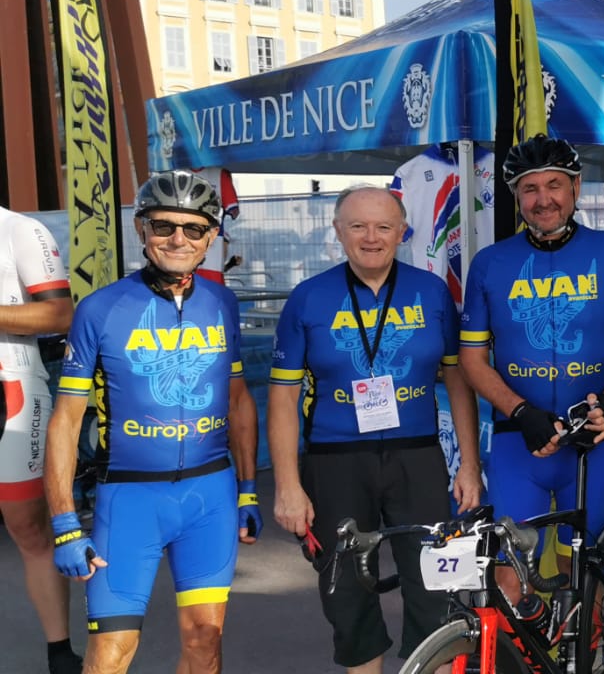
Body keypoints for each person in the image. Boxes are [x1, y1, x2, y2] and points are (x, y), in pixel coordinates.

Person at [43, 171, 259, 674]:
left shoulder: (222, 303)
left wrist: (249, 489)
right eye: (164, 226)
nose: (178, 239)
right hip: (130, 498)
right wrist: (64, 523)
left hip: (209, 497)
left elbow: (238, 400)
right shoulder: (100, 309)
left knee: (205, 646)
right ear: (142, 229)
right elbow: (65, 422)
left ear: (211, 236)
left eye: (193, 228)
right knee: (111, 654)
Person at [268, 186, 483, 673]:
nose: (371, 237)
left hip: (418, 457)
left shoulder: (432, 291)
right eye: (358, 226)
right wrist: (287, 486)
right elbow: (281, 399)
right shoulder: (308, 298)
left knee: (438, 585)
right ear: (338, 231)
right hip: (335, 461)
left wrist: (469, 464)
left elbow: (458, 381)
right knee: (346, 594)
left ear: (402, 232)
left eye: (384, 226)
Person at [459, 134, 604, 584]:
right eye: (530, 188)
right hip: (518, 441)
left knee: (580, 575)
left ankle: (587, 632)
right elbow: (471, 358)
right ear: (516, 196)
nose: (543, 199)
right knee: (510, 577)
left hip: (590, 442)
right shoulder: (490, 263)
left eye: (554, 185)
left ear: (576, 187)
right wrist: (520, 411)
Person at [0, 204, 81, 673]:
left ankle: (59, 654)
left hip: (11, 389)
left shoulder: (18, 229)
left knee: (27, 527)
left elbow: (59, 313)